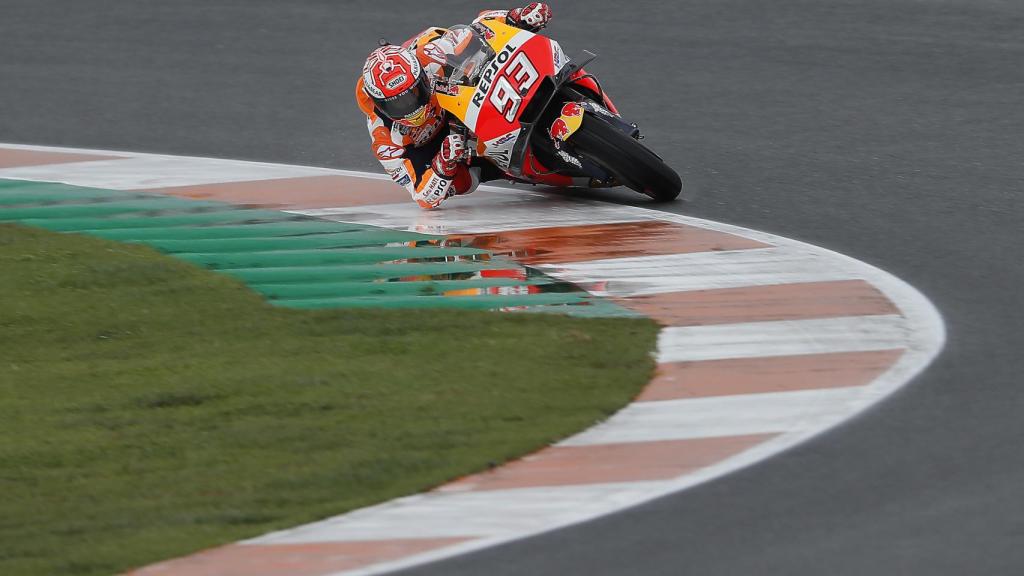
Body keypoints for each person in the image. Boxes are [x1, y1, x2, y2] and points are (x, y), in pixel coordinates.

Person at [355, 4, 553, 209]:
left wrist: (515, 17)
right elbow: (422, 196)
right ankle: (505, 168)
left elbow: (480, 29)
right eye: (397, 104)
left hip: (453, 102)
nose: (410, 106)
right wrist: (443, 164)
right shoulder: (383, 139)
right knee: (460, 181)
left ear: (421, 77)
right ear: (379, 104)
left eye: (413, 93)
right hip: (437, 147)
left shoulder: (430, 52)